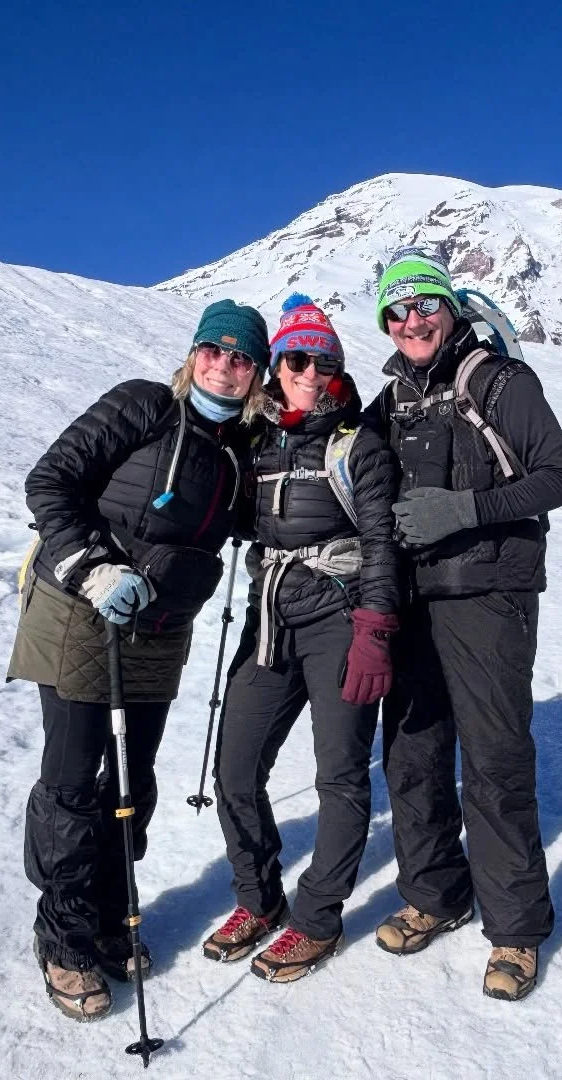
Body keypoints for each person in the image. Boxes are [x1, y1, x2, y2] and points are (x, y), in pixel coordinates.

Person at [7, 300, 268, 1022]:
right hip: (80, 611)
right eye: (213, 349)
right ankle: (63, 938)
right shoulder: (144, 406)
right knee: (72, 779)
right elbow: (50, 481)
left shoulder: (241, 451)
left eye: (241, 357)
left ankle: (112, 913)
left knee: (132, 777)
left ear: (256, 374)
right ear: (193, 355)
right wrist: (93, 567)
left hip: (160, 628)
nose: (224, 364)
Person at [362, 248, 562, 1001]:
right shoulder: (390, 400)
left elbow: (560, 476)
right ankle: (435, 893)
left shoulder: (498, 380)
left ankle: (515, 931)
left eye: (424, 304)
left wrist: (464, 510)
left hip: (491, 595)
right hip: (417, 600)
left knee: (493, 761)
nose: (412, 320)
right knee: (413, 758)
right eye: (398, 310)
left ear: (450, 308)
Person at [204, 294, 401, 983]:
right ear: (275, 367)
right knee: (235, 769)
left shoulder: (358, 443)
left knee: (340, 775)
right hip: (271, 616)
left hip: (341, 619)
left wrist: (375, 629)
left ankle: (317, 918)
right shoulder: (255, 441)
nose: (309, 371)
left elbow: (382, 541)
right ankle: (258, 899)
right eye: (295, 358)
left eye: (323, 359)